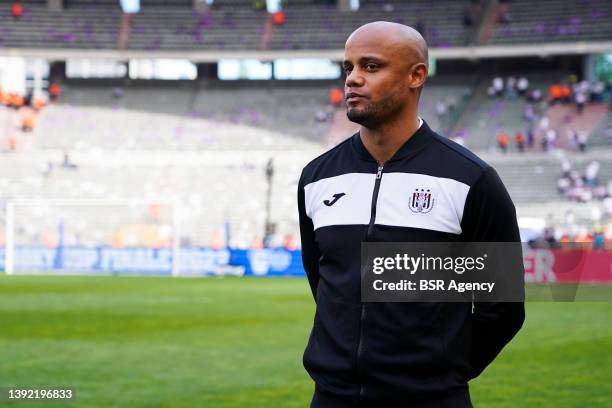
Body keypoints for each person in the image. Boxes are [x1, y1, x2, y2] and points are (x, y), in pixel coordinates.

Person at [297, 21, 524, 408]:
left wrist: (442, 369)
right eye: (347, 67)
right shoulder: (317, 177)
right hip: (332, 398)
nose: (352, 79)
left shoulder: (470, 179)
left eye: (370, 66)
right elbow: (322, 278)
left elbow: (501, 307)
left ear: (416, 75)